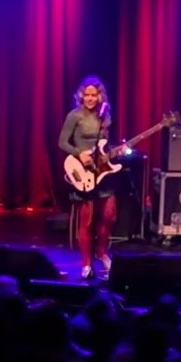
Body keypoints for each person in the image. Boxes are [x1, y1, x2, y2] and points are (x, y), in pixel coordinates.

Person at [58, 75, 119, 280]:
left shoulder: (105, 117)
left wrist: (116, 151)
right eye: (87, 95)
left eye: (94, 95)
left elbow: (105, 145)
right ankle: (86, 263)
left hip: (103, 172)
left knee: (109, 216)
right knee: (87, 221)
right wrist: (79, 154)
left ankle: (101, 252)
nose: (91, 99)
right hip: (83, 172)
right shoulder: (74, 115)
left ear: (100, 96)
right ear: (81, 96)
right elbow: (62, 142)